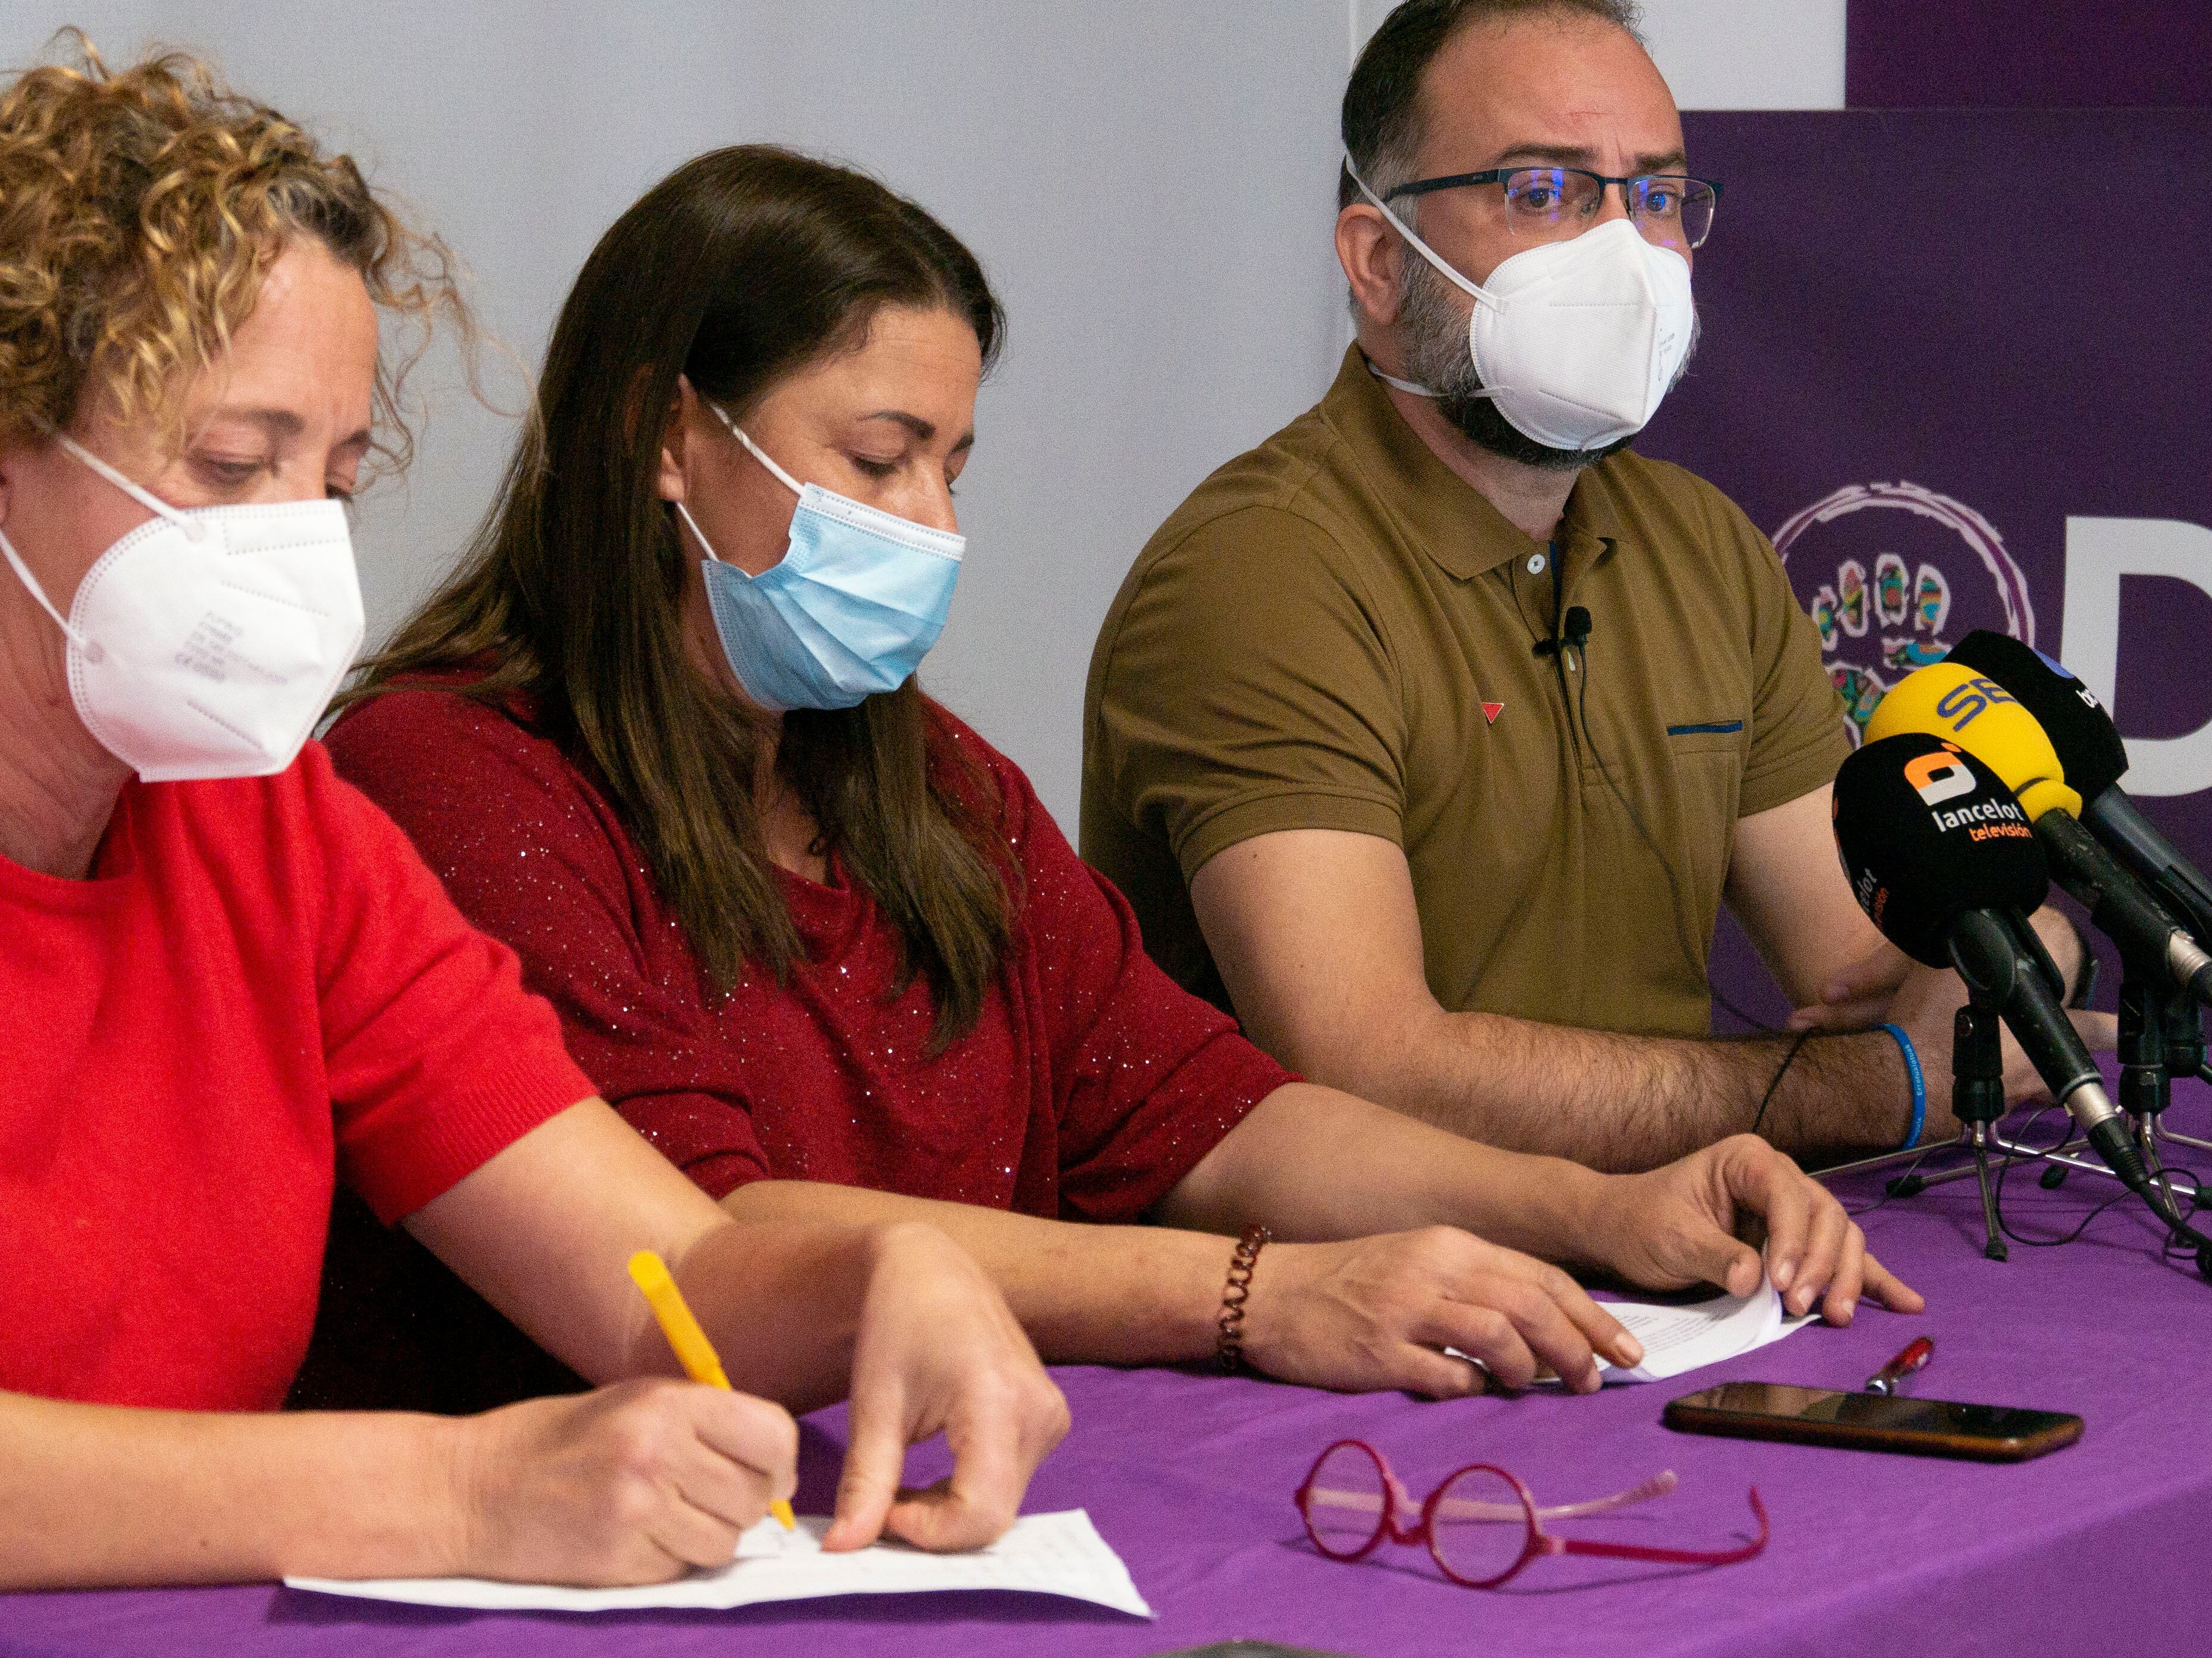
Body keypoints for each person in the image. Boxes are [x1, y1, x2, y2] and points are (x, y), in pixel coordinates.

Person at [0, 45, 1070, 1658]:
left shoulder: (269, 824)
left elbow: (665, 1278)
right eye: (233, 465)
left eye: (335, 478)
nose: (299, 542)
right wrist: (449, 1491)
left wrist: (877, 1275)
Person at [321, 143, 1919, 1427]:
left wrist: (1591, 1203)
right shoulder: (443, 774)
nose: (932, 522)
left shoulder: (929, 778)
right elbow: (698, 1238)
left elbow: (1208, 1112)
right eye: (879, 458)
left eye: (954, 464)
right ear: (661, 434)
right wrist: (1256, 1296)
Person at [1080, 0, 2096, 1174]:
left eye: (1657, 196)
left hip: (1668, 1274)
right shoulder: (1255, 575)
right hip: (1339, 1317)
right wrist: (1883, 1088)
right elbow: (1365, 1072)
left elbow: (1862, 957)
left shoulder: (1699, 545)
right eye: (1544, 190)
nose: (1623, 251)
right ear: (1374, 258)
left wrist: (2019, 944)